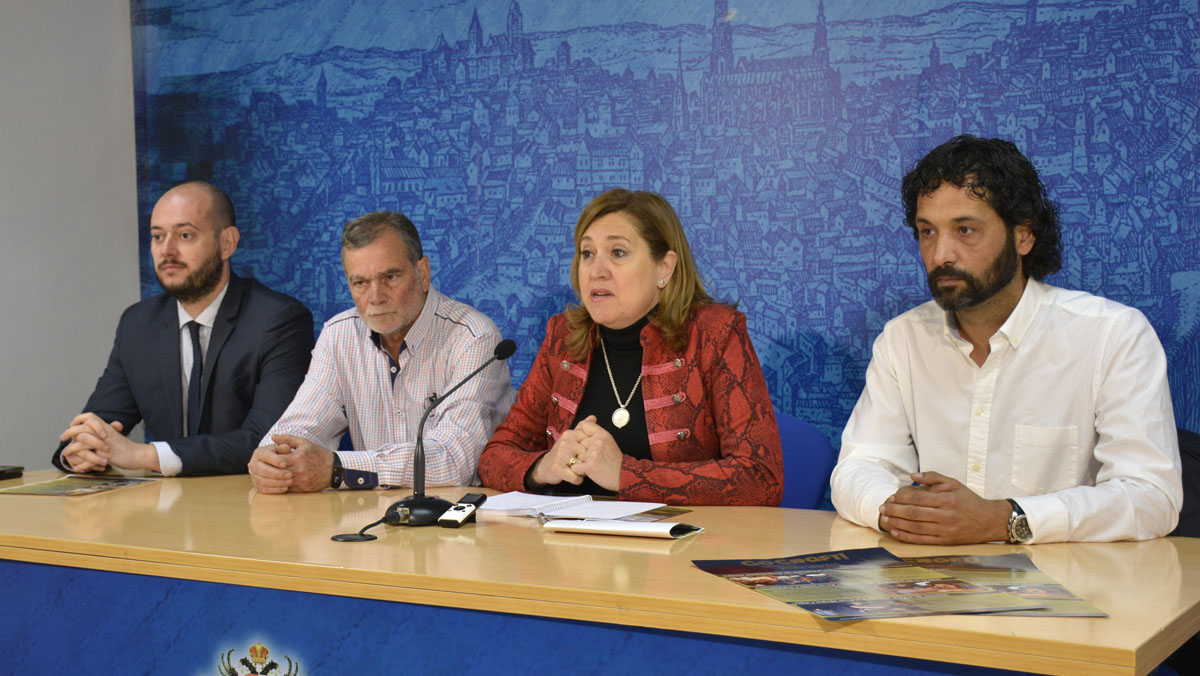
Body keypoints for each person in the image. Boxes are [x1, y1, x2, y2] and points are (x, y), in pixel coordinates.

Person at [831, 134, 1182, 544]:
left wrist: (1006, 519)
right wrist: (905, 514)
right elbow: (858, 468)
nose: (942, 253)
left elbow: (1151, 497)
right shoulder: (903, 339)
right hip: (931, 585)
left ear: (1024, 235)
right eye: (927, 232)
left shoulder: (1112, 335)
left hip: (1071, 588)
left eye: (965, 230)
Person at [478, 188, 783, 505]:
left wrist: (626, 474)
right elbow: (494, 457)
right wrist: (544, 466)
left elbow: (761, 478)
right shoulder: (563, 338)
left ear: (664, 268)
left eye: (618, 253)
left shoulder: (713, 335)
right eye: (587, 253)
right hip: (568, 545)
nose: (597, 270)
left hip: (676, 547)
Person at [54, 182, 314, 476]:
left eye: (185, 235)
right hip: (166, 508)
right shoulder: (138, 323)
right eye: (157, 236)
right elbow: (98, 423)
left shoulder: (278, 319)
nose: (167, 250)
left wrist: (145, 455)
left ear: (227, 243)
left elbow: (268, 441)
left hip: (249, 504)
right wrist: (81, 452)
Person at [248, 211, 515, 493]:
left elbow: (456, 461)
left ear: (422, 273)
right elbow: (297, 430)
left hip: (459, 522)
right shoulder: (339, 335)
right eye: (360, 282)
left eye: (390, 277)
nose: (375, 297)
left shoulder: (473, 337)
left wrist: (339, 469)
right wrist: (274, 461)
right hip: (374, 520)